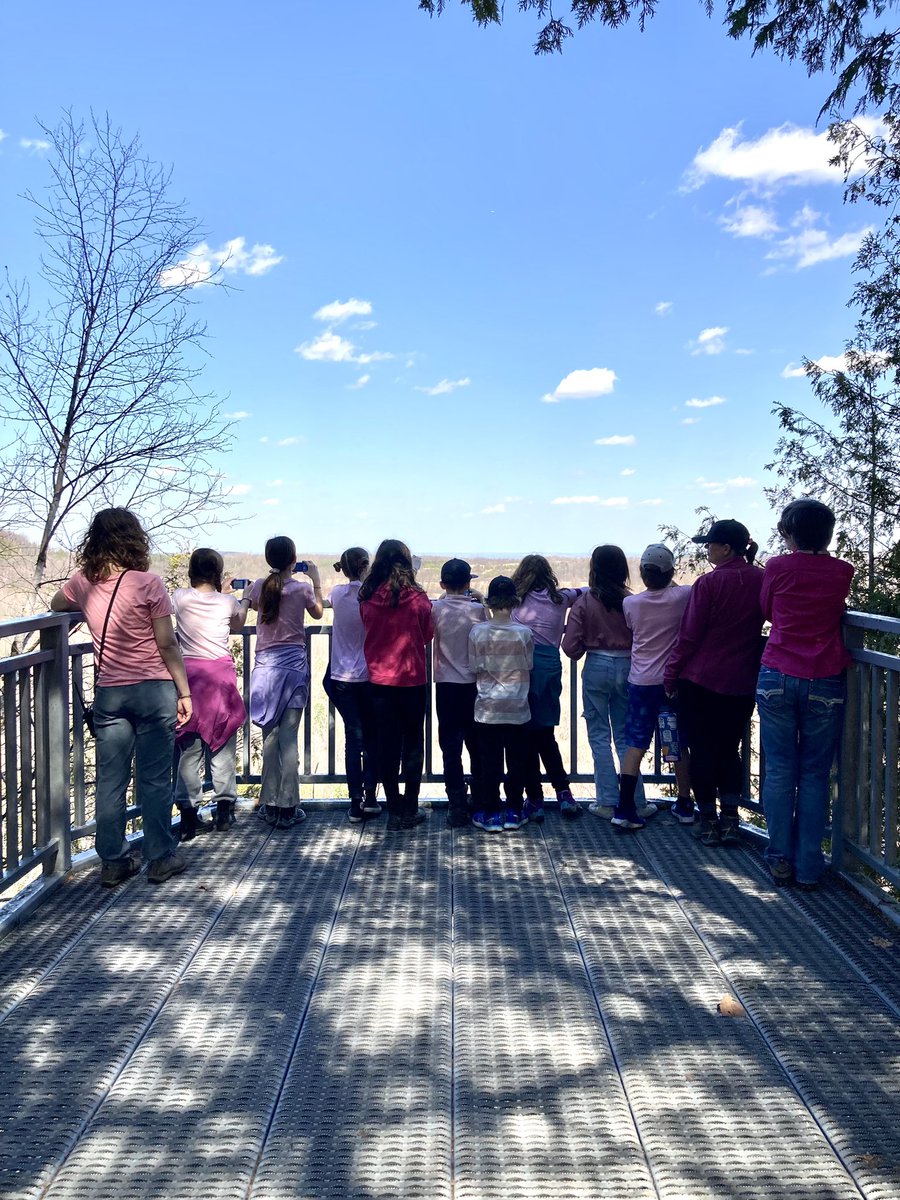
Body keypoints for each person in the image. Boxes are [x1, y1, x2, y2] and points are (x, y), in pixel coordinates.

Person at [50, 508, 190, 886]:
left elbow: (56, 605)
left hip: (111, 693)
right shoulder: (149, 583)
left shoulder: (84, 582)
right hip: (154, 691)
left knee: (111, 779)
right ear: (134, 540)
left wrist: (86, 601)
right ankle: (160, 858)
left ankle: (113, 862)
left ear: (95, 541)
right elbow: (167, 643)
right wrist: (184, 691)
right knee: (155, 778)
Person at [756, 499, 854, 888]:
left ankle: (779, 858)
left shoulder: (778, 567)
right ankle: (810, 866)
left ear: (790, 533)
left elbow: (767, 610)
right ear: (828, 533)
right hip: (825, 676)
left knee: (781, 769)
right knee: (815, 774)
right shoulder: (842, 571)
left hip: (777, 673)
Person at [664, 520, 764, 847]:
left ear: (726, 548)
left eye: (710, 544)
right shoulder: (761, 580)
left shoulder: (708, 584)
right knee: (729, 750)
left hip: (701, 680)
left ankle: (707, 821)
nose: (707, 549)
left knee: (702, 750)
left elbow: (689, 636)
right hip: (742, 681)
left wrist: (671, 674)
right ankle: (731, 820)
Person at [562, 545, 655, 821]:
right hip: (629, 667)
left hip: (597, 667)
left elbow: (570, 647)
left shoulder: (585, 602)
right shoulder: (632, 601)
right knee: (626, 737)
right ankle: (636, 801)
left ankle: (606, 801)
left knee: (599, 736)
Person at [613, 543, 692, 830]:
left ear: (643, 574)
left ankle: (624, 808)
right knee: (676, 743)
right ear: (670, 572)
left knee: (635, 743)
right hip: (671, 684)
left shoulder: (631, 604)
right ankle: (685, 803)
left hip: (640, 683)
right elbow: (680, 590)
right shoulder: (683, 596)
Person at [247, 537, 323, 830]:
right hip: (293, 669)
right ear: (294, 560)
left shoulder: (259, 587)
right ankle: (289, 807)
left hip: (266, 671)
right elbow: (318, 611)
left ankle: (269, 804)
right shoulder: (302, 589)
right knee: (289, 738)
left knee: (270, 738)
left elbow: (254, 603)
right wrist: (316, 581)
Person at [171, 548, 248, 837]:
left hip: (189, 680)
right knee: (222, 744)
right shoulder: (227, 602)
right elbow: (238, 622)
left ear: (191, 571)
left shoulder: (179, 597)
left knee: (188, 749)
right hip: (219, 680)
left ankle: (188, 816)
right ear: (217, 573)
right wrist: (244, 599)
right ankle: (224, 810)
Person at [359, 540, 434, 832]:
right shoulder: (418, 598)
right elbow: (427, 635)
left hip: (379, 681)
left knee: (387, 745)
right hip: (412, 680)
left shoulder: (367, 597)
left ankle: (393, 809)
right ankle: (410, 807)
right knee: (413, 745)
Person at [511, 554, 583, 820]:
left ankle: (535, 799)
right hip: (550, 667)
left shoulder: (516, 600)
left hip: (522, 667)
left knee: (526, 735)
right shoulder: (561, 598)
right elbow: (585, 591)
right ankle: (564, 793)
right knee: (545, 733)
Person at [468, 576, 534, 832]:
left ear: (490, 602)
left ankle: (491, 811)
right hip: (518, 707)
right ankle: (514, 810)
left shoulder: (478, 632)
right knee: (517, 761)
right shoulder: (524, 633)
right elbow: (529, 664)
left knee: (490, 761)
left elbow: (474, 666)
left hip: (488, 708)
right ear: (515, 602)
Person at [322, 547, 380, 824]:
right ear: (365, 566)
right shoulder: (374, 596)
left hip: (341, 677)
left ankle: (355, 802)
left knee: (352, 739)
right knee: (372, 738)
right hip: (369, 676)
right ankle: (371, 796)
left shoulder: (337, 593)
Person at [432, 558, 488, 827]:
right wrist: (481, 599)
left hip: (446, 685)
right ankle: (480, 799)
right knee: (476, 743)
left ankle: (456, 804)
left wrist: (444, 597)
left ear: (442, 584)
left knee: (450, 747)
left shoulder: (435, 609)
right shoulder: (477, 611)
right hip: (474, 685)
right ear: (468, 584)